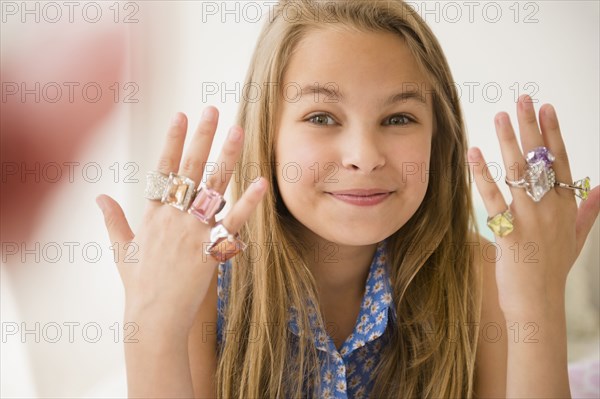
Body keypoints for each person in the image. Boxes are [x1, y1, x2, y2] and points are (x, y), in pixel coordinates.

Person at [95, 1, 599, 398]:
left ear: (437, 141)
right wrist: (152, 323)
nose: (364, 156)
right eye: (321, 117)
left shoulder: (478, 276)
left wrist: (539, 300)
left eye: (399, 118)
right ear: (265, 138)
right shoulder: (201, 281)